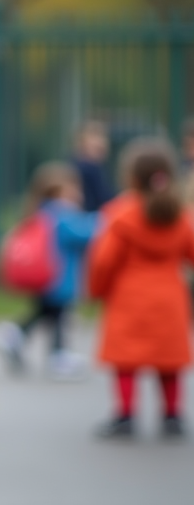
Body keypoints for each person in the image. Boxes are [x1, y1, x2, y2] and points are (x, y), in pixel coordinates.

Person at [88, 139, 194, 439]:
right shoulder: (181, 216)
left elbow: (104, 261)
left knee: (126, 359)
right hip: (170, 296)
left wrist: (96, 291)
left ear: (131, 176)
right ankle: (172, 414)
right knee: (169, 360)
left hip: (129, 296)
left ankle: (125, 414)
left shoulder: (120, 214)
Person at [0, 162, 96, 380]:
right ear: (59, 190)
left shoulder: (41, 212)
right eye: (74, 188)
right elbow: (84, 234)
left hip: (46, 277)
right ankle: (55, 353)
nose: (79, 193)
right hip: (58, 277)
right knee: (57, 314)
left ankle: (18, 336)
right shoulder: (63, 214)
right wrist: (105, 221)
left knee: (48, 313)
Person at [71, 119, 114, 212]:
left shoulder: (98, 167)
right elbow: (104, 200)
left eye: (103, 138)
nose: (101, 142)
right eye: (94, 138)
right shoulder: (87, 168)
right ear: (81, 142)